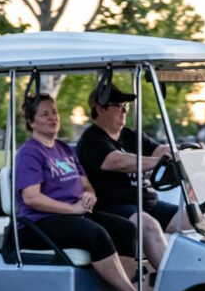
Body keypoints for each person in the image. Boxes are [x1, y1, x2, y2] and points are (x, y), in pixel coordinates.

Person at [14, 93, 144, 291]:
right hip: (39, 222)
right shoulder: (29, 153)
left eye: (54, 112)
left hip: (73, 214)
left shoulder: (64, 149)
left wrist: (89, 196)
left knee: (126, 229)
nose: (52, 117)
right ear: (31, 122)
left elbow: (86, 184)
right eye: (44, 114)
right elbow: (32, 198)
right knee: (97, 234)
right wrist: (73, 209)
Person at [76, 84, 189, 271]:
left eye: (126, 106)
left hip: (147, 203)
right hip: (113, 208)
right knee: (148, 225)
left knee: (197, 220)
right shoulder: (91, 141)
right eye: (118, 106)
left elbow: (160, 149)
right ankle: (177, 283)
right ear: (100, 108)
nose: (124, 110)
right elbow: (118, 161)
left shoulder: (130, 136)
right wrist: (157, 161)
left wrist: (182, 152)